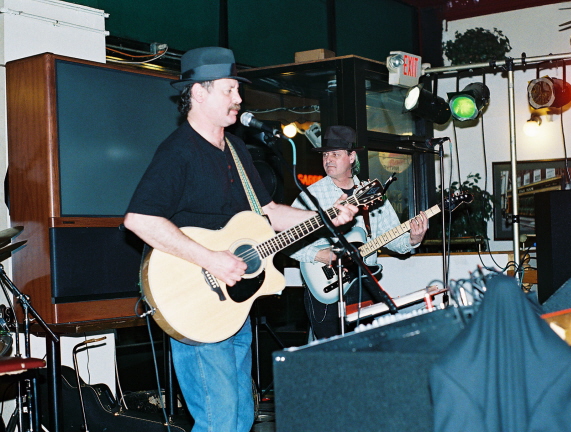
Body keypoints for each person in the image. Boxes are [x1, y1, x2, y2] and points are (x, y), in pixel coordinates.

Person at [123, 47, 357, 432]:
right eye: (229, 90)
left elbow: (270, 212)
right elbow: (139, 220)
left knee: (242, 416)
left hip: (235, 305)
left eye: (238, 89)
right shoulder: (178, 151)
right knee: (219, 420)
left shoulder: (235, 149)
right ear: (198, 93)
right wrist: (211, 259)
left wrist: (327, 217)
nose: (239, 99)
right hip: (195, 302)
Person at [287, 125, 429, 339]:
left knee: (366, 346)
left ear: (352, 157)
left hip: (363, 283)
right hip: (325, 287)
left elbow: (393, 238)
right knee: (331, 350)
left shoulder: (371, 192)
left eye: (335, 154)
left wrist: (412, 238)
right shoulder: (310, 196)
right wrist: (319, 255)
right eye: (325, 155)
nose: (328, 160)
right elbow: (287, 239)